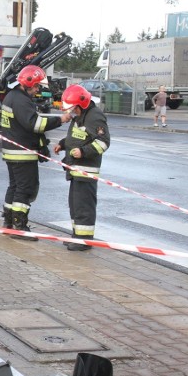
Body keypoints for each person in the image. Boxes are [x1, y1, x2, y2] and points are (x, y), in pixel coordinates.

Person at [0, 65, 71, 240]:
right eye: (37, 86)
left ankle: (8, 223)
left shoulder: (12, 96)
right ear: (28, 83)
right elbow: (35, 125)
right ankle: (19, 226)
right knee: (25, 189)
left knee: (14, 187)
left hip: (12, 151)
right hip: (22, 153)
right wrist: (61, 120)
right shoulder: (21, 100)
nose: (38, 89)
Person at [53, 84, 110, 251]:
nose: (71, 112)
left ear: (81, 104)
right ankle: (77, 236)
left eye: (73, 109)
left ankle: (84, 241)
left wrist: (83, 152)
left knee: (84, 206)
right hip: (75, 168)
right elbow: (77, 136)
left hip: (86, 169)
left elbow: (103, 143)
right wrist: (63, 144)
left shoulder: (94, 117)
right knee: (75, 204)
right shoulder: (81, 115)